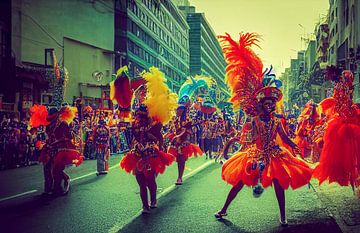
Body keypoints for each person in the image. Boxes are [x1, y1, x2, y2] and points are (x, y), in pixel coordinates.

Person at [215, 33, 313, 226]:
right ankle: (224, 209)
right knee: (240, 182)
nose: (269, 105)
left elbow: (284, 137)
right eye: (266, 103)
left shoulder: (277, 120)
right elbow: (248, 139)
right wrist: (235, 145)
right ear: (261, 105)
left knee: (278, 183)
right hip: (256, 154)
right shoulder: (254, 120)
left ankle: (283, 216)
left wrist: (295, 146)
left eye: (271, 103)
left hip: (274, 154)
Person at [118, 67, 176, 213]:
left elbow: (159, 136)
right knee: (140, 181)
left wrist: (158, 144)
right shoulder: (134, 125)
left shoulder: (155, 124)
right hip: (137, 152)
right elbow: (133, 135)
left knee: (150, 180)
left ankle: (153, 199)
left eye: (143, 115)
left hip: (150, 152)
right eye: (139, 115)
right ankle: (144, 204)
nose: (140, 118)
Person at [313, 70, 360, 195]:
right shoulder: (342, 87)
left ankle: (354, 179)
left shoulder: (344, 87)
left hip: (348, 120)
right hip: (345, 122)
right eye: (349, 77)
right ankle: (353, 179)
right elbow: (340, 105)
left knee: (353, 153)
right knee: (349, 152)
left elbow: (340, 105)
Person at [30, 105, 83, 196]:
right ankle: (48, 189)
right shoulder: (48, 124)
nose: (50, 118)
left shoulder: (63, 123)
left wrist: (71, 135)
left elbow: (69, 136)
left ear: (56, 115)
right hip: (49, 148)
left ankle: (57, 188)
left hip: (60, 149)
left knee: (56, 169)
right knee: (47, 168)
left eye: (52, 116)